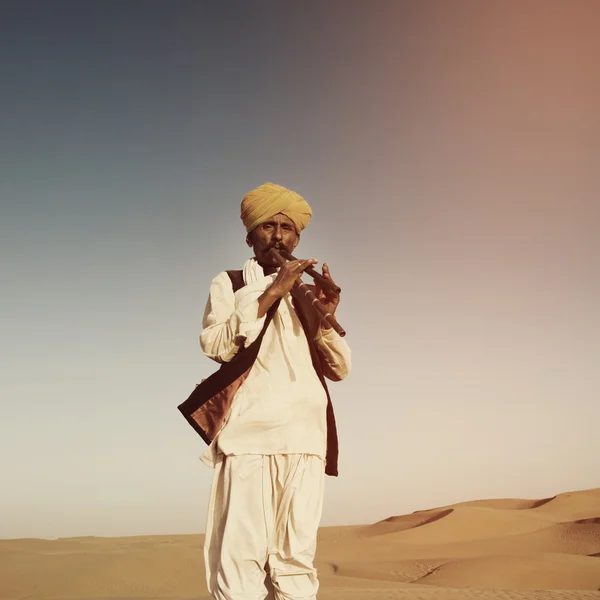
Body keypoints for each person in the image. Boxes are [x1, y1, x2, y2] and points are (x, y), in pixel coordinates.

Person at [198, 182, 351, 600]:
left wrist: (324, 316)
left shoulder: (309, 293)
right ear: (251, 235)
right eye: (269, 226)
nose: (279, 235)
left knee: (296, 560)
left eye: (287, 227)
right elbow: (216, 345)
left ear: (298, 236)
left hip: (305, 437)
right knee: (238, 560)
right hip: (249, 436)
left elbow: (341, 368)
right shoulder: (229, 283)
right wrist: (270, 293)